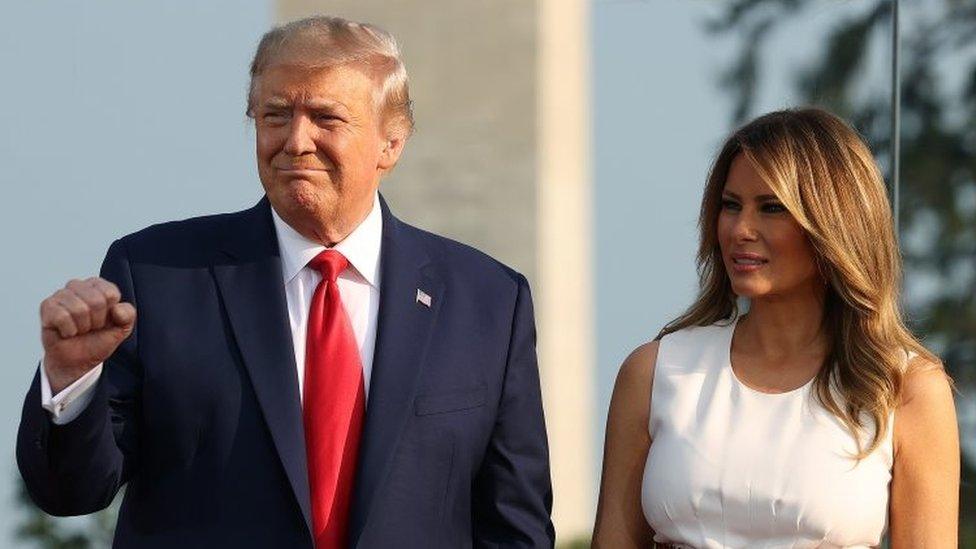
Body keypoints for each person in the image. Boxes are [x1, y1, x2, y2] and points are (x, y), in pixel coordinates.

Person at [17, 16, 554, 549]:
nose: (296, 140)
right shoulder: (156, 275)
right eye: (275, 115)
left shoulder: (488, 302)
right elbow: (72, 493)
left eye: (326, 117)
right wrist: (72, 380)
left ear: (391, 143)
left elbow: (515, 527)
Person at [592, 108, 959, 547]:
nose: (741, 229)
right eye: (731, 205)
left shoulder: (907, 388)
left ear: (833, 224)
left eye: (771, 208)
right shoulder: (654, 373)